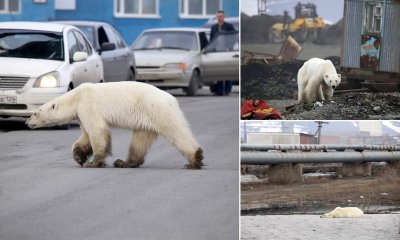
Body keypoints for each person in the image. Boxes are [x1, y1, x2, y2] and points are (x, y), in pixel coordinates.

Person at [210, 10, 235, 96]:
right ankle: (219, 90)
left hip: (227, 51)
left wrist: (229, 47)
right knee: (219, 71)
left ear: (224, 17)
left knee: (228, 71)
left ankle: (227, 90)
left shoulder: (229, 26)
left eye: (221, 16)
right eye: (218, 16)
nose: (219, 18)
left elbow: (234, 38)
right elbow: (211, 39)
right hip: (217, 51)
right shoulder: (214, 27)